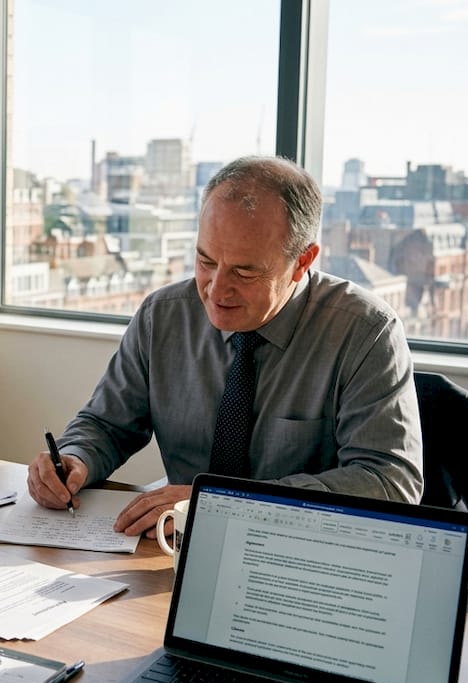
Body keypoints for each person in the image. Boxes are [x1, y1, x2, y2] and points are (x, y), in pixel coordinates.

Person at [27, 155, 422, 538]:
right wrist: (75, 458)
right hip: (176, 548)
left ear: (303, 262)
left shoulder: (366, 332)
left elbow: (390, 482)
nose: (216, 290)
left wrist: (224, 505)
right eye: (205, 260)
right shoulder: (162, 317)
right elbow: (106, 424)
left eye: (245, 271)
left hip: (298, 561)